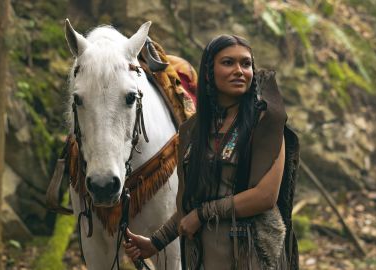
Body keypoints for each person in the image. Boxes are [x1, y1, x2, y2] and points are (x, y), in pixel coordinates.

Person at [124, 34, 300, 270]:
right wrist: (155, 242)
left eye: (246, 64)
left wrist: (203, 214)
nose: (239, 70)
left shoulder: (266, 123)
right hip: (201, 258)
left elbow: (265, 196)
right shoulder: (192, 131)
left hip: (252, 258)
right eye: (228, 62)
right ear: (208, 72)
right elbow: (191, 203)